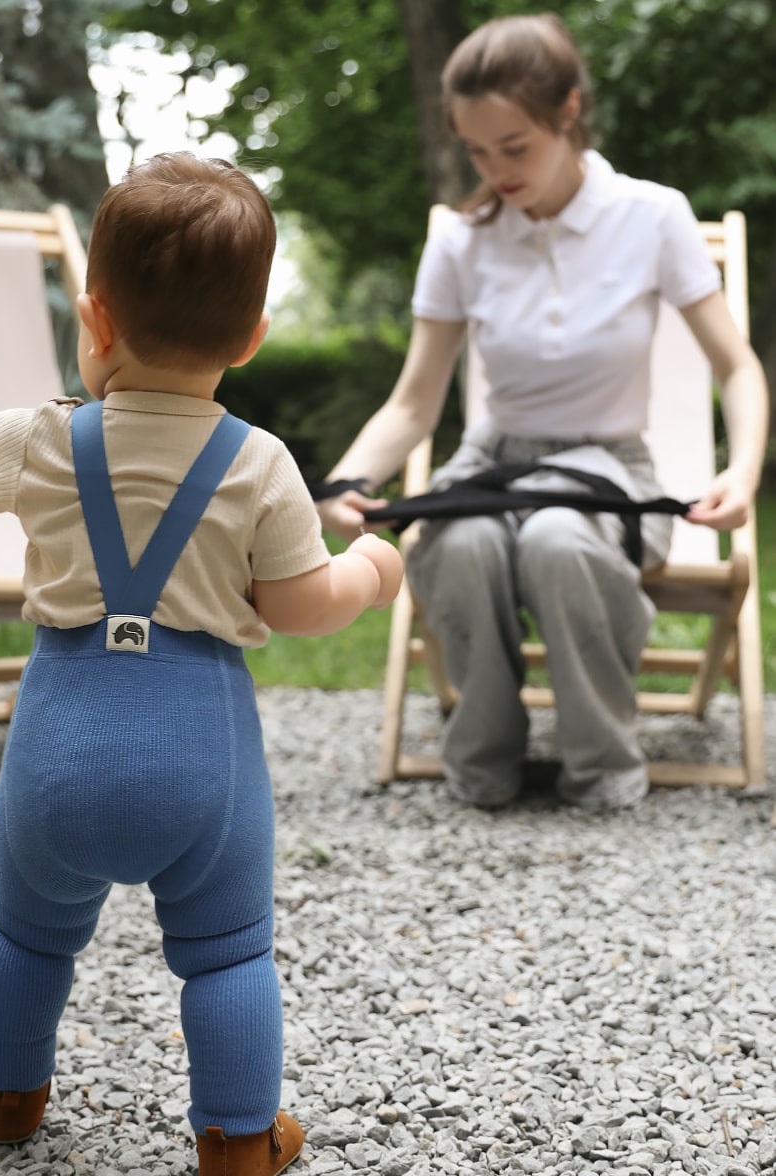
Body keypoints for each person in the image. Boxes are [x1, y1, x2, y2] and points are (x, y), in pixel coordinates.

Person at [0, 152, 402, 1176]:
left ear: (94, 320)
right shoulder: (260, 465)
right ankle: (235, 1143)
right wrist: (374, 570)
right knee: (226, 958)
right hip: (198, 755)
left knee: (27, 938)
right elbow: (300, 607)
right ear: (251, 340)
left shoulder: (42, 438)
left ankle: (7, 1099)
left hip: (56, 749)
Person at [317, 12, 769, 813]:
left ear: (567, 109)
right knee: (459, 542)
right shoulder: (460, 240)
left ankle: (602, 766)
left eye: (513, 147)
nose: (495, 171)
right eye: (476, 152)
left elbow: (736, 366)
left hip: (608, 467)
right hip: (493, 463)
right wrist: (350, 479)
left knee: (561, 540)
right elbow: (415, 401)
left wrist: (742, 468)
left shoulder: (652, 215)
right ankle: (484, 766)